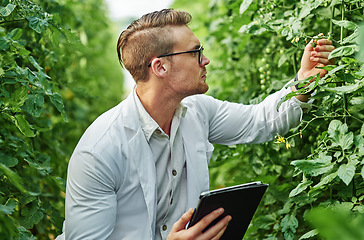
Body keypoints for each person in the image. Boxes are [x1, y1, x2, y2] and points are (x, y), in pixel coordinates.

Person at [56, 8, 334, 240]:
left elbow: (261, 121)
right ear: (160, 67)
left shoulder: (197, 111)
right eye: (195, 52)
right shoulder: (99, 152)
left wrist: (304, 80)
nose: (206, 60)